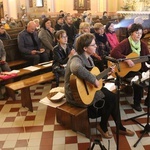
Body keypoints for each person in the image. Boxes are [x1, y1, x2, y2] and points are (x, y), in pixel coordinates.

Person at [64, 33, 134, 139]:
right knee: (111, 99)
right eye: (93, 45)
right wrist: (93, 80)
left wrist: (106, 73)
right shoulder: (76, 58)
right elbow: (76, 68)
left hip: (89, 89)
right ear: (85, 48)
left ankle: (119, 127)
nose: (96, 46)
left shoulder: (89, 58)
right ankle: (103, 126)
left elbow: (95, 75)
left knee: (113, 97)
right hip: (76, 95)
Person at [111, 23, 150, 111]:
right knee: (139, 79)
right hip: (127, 70)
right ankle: (136, 103)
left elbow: (147, 58)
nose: (139, 35)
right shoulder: (126, 43)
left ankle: (148, 101)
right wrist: (126, 59)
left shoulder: (143, 45)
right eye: (136, 33)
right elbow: (114, 52)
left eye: (140, 33)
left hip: (141, 68)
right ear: (131, 33)